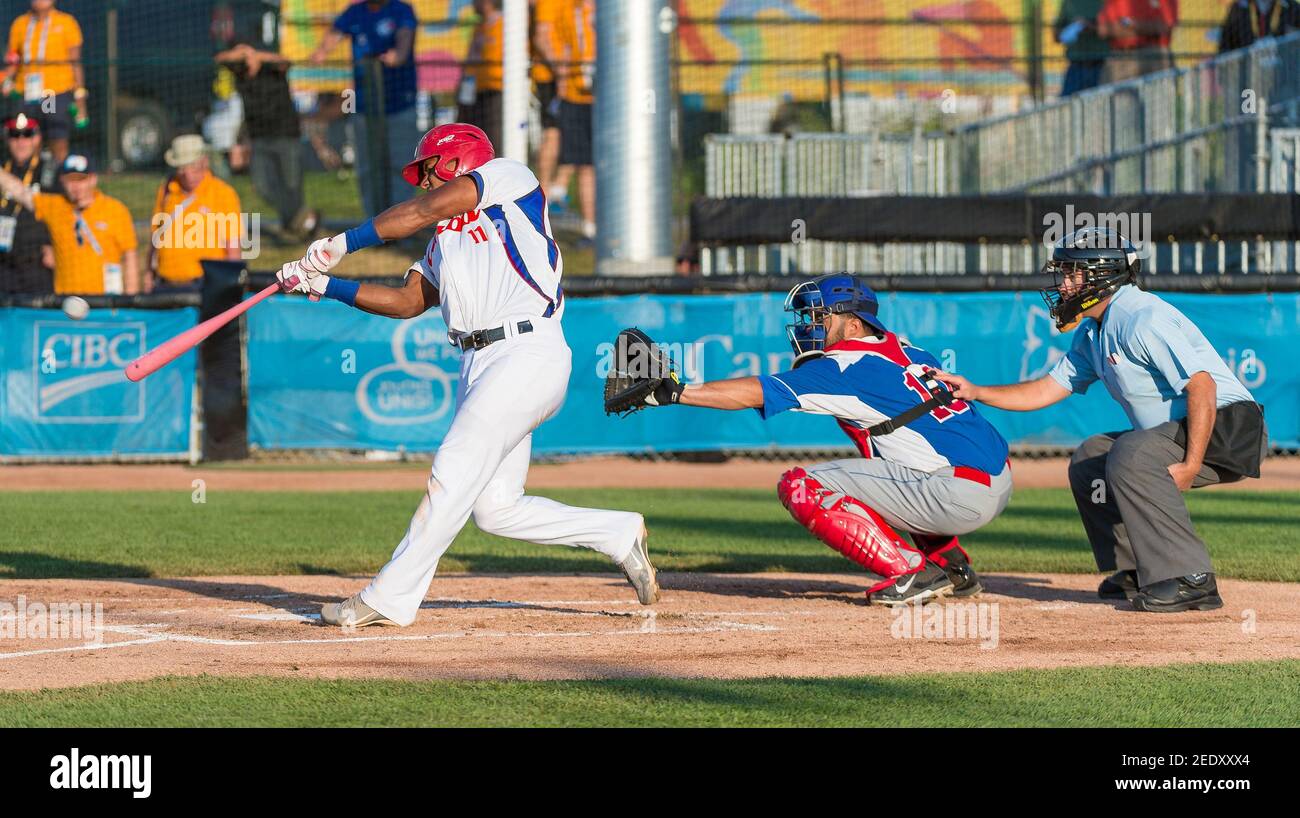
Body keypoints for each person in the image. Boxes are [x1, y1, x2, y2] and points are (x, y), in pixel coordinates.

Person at [276, 123, 656, 628]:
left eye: (428, 169)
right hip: (479, 365)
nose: (423, 182)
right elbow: (407, 301)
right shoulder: (444, 243)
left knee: (452, 467)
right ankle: (617, 532)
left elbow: (422, 211)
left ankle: (388, 597)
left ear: (456, 161)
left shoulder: (508, 178)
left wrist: (343, 241)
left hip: (527, 351)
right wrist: (324, 284)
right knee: (496, 509)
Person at [612, 274, 1013, 606]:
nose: (809, 326)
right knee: (894, 465)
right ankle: (953, 568)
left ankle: (913, 571)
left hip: (956, 493)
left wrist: (675, 392)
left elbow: (755, 391)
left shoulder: (845, 366)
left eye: (820, 318)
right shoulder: (913, 351)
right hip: (994, 478)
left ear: (853, 325)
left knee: (802, 486)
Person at [934, 229, 1267, 613]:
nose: (1063, 282)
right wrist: (976, 391)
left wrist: (1191, 465)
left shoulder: (1141, 317)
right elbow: (1046, 389)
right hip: (1188, 428)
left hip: (1232, 427)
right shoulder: (1094, 332)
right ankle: (1138, 570)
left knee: (1131, 454)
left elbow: (1202, 387)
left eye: (1073, 272)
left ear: (1103, 275)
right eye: (1063, 272)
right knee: (1092, 457)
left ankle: (1192, 578)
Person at [311, 0, 419, 218]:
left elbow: (404, 41)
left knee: (400, 167)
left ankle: (401, 224)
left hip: (400, 105)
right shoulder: (355, 11)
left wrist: (397, 55)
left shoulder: (402, 10)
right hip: (364, 107)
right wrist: (321, 52)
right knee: (368, 169)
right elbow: (334, 33)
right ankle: (375, 223)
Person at [216, 37, 319, 242]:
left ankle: (296, 229)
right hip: (259, 138)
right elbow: (219, 58)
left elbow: (285, 61)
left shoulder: (271, 69)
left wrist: (256, 56)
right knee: (262, 186)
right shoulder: (238, 72)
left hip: (286, 135)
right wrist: (244, 52)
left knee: (292, 186)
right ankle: (305, 219)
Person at [0, 153, 137, 294]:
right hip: (67, 302)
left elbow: (130, 256)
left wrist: (131, 299)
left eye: (81, 179)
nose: (76, 186)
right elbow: (20, 192)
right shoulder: (56, 206)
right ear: (62, 181)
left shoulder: (115, 210)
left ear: (93, 179)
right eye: (70, 180)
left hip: (105, 302)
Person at [145, 135, 243, 292]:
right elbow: (156, 236)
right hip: (164, 285)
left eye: (194, 167)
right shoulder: (165, 190)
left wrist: (231, 287)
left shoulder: (223, 194)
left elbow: (233, 250)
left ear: (205, 161)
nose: (188, 175)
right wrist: (149, 274)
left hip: (204, 286)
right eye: (182, 169)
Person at [2, 0, 84, 166]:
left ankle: (59, 177)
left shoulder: (66, 23)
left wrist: (80, 96)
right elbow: (12, 61)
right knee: (25, 137)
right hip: (26, 92)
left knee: (55, 135)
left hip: (51, 93)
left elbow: (76, 63)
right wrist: (5, 80)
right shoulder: (20, 24)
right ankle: (28, 177)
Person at [545, 0, 594, 242]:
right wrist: (563, 80)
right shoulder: (567, 10)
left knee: (596, 165)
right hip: (577, 97)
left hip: (608, 99)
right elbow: (562, 48)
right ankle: (590, 226)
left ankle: (559, 188)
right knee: (585, 164)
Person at [0, 113, 53, 294]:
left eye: (27, 134)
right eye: (15, 135)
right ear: (7, 138)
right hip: (3, 264)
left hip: (37, 265)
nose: (21, 141)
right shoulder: (4, 166)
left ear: (37, 138)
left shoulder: (50, 170)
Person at [531, 0, 569, 213]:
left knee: (573, 133)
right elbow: (541, 36)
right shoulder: (548, 3)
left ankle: (559, 187)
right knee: (553, 132)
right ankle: (544, 191)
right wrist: (560, 69)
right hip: (551, 78)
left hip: (573, 78)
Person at [1096, 0, 1178, 84]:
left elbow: (1165, 26)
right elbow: (1103, 30)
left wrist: (1131, 25)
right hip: (1120, 58)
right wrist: (1137, 27)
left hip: (1154, 56)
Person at [458, 0, 503, 148]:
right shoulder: (480, 26)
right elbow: (470, 59)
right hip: (475, 91)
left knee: (494, 136)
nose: (473, 4)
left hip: (496, 89)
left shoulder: (504, 25)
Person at [1054, 0, 1108, 97]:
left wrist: (1091, 26)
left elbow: (1112, 28)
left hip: (1100, 65)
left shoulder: (1104, 2)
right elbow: (1056, 35)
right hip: (1076, 66)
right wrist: (1070, 29)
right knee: (1067, 103)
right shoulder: (1069, 3)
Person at [1218, 0, 1300, 53]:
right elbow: (1225, 47)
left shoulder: (1293, 8)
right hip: (1247, 73)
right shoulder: (1238, 8)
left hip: (1283, 74)